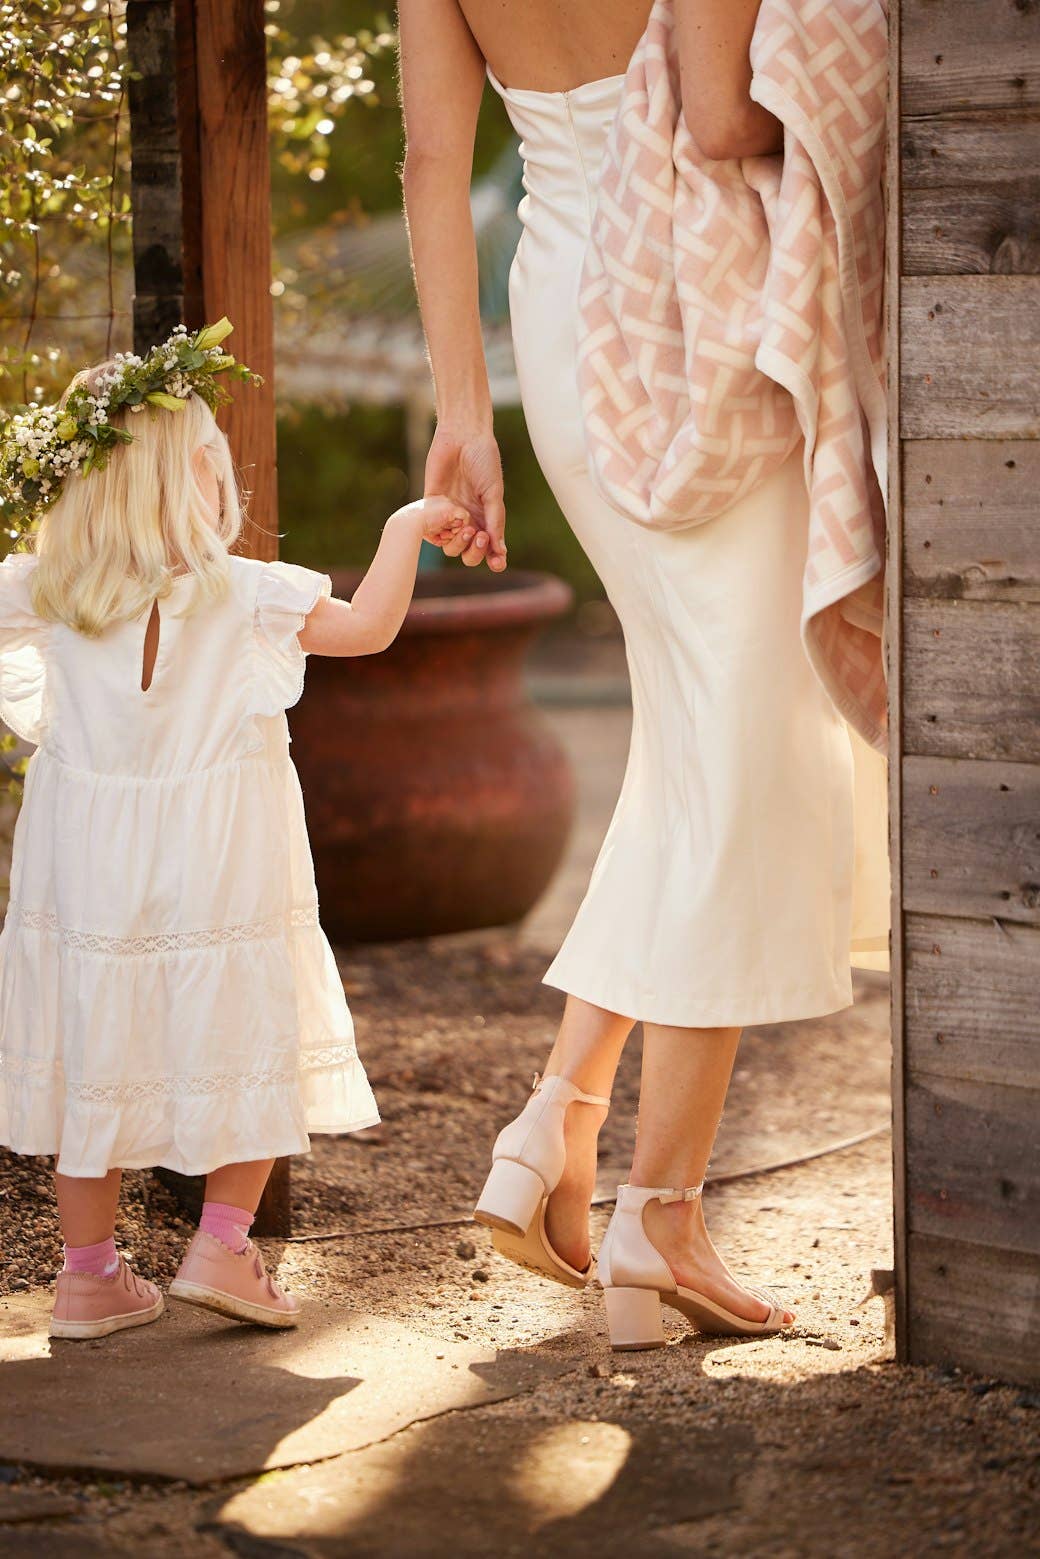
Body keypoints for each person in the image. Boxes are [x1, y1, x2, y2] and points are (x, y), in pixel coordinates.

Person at [398, 0, 862, 1348]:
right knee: (747, 746)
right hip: (689, 301)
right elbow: (721, 117)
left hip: (562, 324)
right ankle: (658, 1215)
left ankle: (558, 1124)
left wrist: (463, 415)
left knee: (696, 736)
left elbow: (435, 164)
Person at [0, 322, 473, 1341]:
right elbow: (369, 629)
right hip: (224, 865)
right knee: (244, 1031)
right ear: (200, 476)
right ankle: (221, 1241)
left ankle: (86, 1275)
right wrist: (402, 527)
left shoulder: (49, 593)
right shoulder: (249, 593)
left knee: (93, 1043)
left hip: (87, 874)